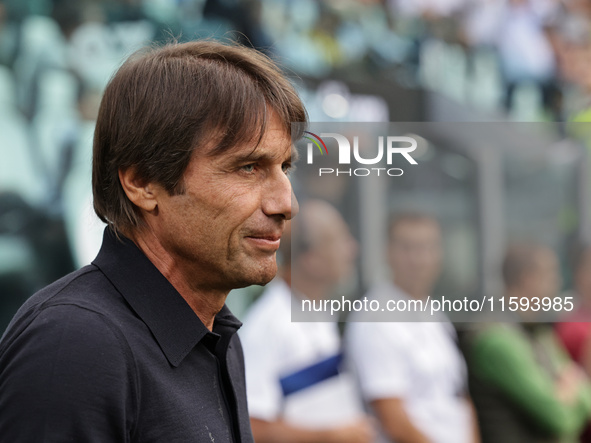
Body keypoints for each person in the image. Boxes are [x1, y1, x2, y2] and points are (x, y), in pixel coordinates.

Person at [0, 40, 307, 442]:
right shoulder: (76, 343)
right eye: (248, 167)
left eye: (284, 167)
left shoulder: (218, 339)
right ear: (142, 182)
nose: (287, 203)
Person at [240, 199, 374, 443]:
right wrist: (331, 436)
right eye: (339, 241)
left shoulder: (320, 311)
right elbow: (252, 427)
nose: (352, 249)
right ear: (311, 258)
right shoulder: (268, 325)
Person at [346, 213, 481, 443]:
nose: (420, 259)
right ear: (387, 253)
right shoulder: (375, 318)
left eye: (428, 247)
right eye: (408, 248)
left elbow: (459, 398)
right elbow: (392, 419)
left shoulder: (433, 312)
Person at [464, 243, 591, 443]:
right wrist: (570, 389)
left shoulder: (537, 331)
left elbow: (587, 394)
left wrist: (569, 391)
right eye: (551, 274)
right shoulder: (496, 339)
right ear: (528, 278)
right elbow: (560, 418)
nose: (558, 282)